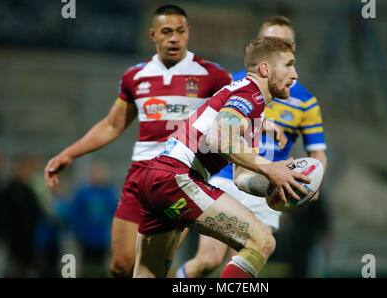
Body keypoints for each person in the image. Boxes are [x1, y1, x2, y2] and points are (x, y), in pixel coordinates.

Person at [44, 5, 232, 277]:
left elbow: (235, 118)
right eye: (167, 32)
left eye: (180, 31)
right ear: (153, 35)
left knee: (154, 266)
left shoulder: (213, 76)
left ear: (188, 33)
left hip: (181, 176)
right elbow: (111, 125)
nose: (174, 38)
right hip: (140, 174)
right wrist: (69, 154)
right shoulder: (135, 76)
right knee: (121, 265)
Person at [133, 36, 313, 278]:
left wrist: (278, 184)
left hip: (158, 177)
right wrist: (271, 168)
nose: (295, 75)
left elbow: (241, 179)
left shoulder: (251, 110)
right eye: (289, 65)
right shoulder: (250, 94)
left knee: (148, 274)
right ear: (265, 69)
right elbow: (219, 139)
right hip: (179, 176)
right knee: (262, 243)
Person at [176, 15, 328, 278]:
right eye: (272, 41)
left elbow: (317, 153)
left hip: (264, 188)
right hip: (225, 177)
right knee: (208, 260)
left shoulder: (305, 101)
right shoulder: (236, 83)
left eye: (285, 43)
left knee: (250, 255)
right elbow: (214, 133)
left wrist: (315, 180)